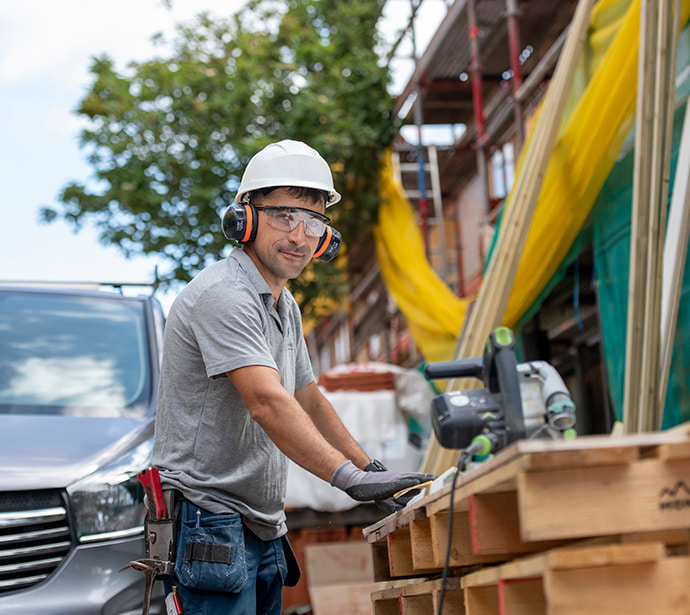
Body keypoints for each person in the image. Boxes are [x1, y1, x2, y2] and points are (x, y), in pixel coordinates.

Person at [151, 139, 435, 615]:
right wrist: (345, 479)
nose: (299, 236)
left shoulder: (284, 305)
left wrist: (369, 471)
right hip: (210, 518)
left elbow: (307, 398)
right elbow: (267, 401)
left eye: (314, 222)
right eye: (285, 215)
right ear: (244, 216)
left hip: (261, 523)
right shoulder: (225, 295)